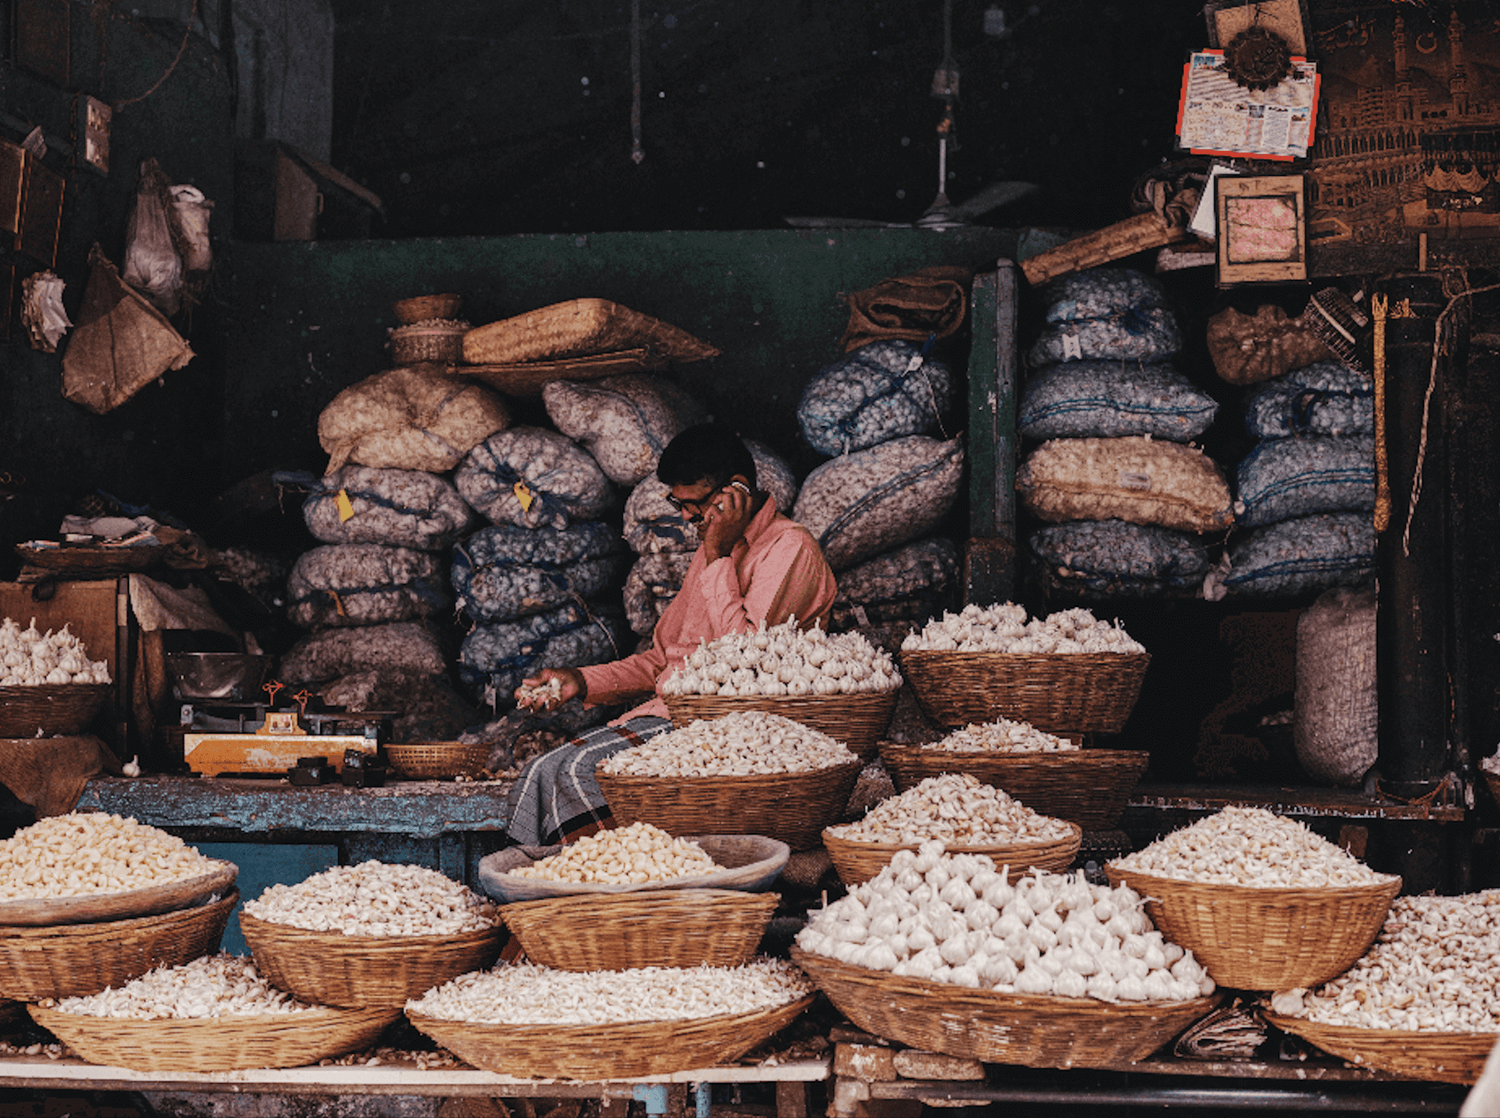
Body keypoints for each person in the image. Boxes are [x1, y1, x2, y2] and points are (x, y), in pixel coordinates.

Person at [503, 423, 837, 846]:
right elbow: (665, 660)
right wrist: (583, 680)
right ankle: (551, 894)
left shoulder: (790, 549)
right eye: (676, 503)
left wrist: (718, 556)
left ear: (737, 490)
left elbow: (747, 663)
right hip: (670, 717)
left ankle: (602, 891)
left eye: (694, 503)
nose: (685, 517)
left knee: (572, 772)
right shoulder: (711, 550)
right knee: (541, 770)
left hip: (726, 729)